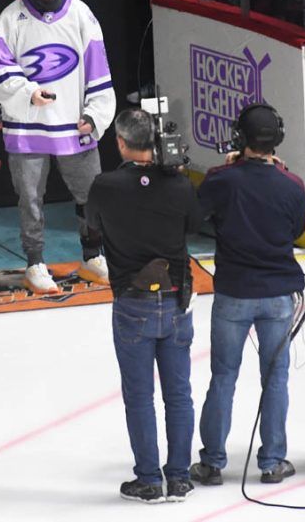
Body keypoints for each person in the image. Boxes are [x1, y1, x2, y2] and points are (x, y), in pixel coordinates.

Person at [0, 0, 115, 293]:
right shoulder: (10, 19)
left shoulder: (81, 16)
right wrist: (29, 93)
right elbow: (1, 70)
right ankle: (35, 263)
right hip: (27, 128)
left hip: (74, 126)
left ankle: (92, 257)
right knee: (30, 200)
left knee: (91, 195)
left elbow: (98, 71)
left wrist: (94, 116)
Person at [85, 108, 202, 504]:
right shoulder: (179, 185)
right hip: (176, 299)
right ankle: (179, 477)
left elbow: (92, 224)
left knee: (139, 397)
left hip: (133, 302)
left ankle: (150, 480)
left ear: (121, 143)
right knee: (179, 394)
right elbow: (194, 225)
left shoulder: (105, 186)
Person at [191, 103, 305, 487]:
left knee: (223, 376)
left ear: (240, 138)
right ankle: (272, 462)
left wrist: (229, 170)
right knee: (275, 378)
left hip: (234, 292)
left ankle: (212, 462)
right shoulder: (292, 184)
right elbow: (295, 230)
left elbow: (195, 216)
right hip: (278, 294)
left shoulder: (221, 179)